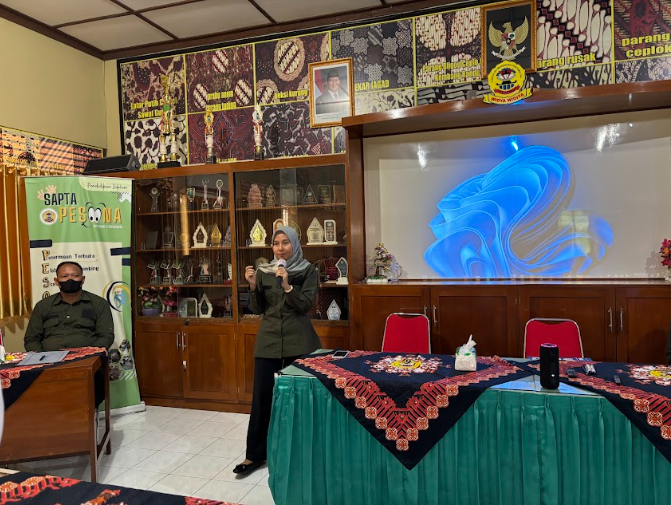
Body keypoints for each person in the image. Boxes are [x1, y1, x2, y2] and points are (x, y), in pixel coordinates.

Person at [233, 226, 321, 476]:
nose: (280, 248)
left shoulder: (308, 270)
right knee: (262, 399)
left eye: (285, 242)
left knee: (301, 399)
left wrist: (287, 286)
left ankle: (304, 453)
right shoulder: (264, 271)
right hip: (268, 340)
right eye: (276, 243)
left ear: (295, 244)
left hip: (299, 341)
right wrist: (252, 287)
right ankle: (254, 455)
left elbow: (306, 305)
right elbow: (258, 308)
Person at [24, 261, 115, 352]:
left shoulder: (98, 303)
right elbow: (31, 339)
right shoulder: (43, 305)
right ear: (56, 281)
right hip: (50, 358)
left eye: (75, 276)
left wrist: (91, 354)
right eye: (64, 276)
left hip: (88, 357)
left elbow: (106, 336)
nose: (70, 279)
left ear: (83, 279)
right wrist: (42, 357)